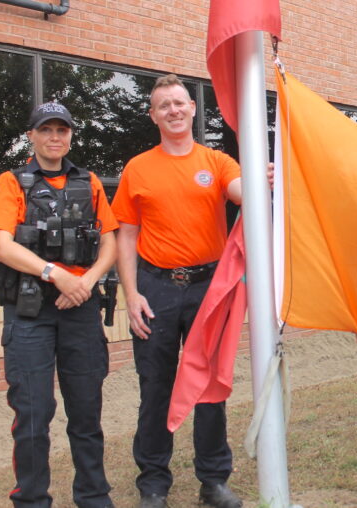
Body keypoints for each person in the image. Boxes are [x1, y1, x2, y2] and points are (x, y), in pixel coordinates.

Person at [111, 74, 243, 508]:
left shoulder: (217, 161)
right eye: (163, 105)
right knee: (156, 387)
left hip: (209, 287)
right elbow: (125, 236)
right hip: (155, 287)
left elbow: (241, 192)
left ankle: (213, 480)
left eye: (179, 103)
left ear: (191, 109)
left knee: (209, 385)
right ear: (153, 116)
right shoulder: (137, 168)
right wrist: (131, 295)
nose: (173, 110)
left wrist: (262, 178)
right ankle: (153, 481)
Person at [0, 102, 117, 507]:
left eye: (62, 130)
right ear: (32, 136)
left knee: (86, 413)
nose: (54, 137)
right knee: (33, 415)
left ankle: (93, 497)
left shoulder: (88, 181)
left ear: (71, 136)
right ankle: (32, 500)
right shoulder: (12, 182)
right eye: (46, 130)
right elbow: (1, 244)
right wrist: (56, 274)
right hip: (30, 313)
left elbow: (109, 241)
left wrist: (86, 281)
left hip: (80, 308)